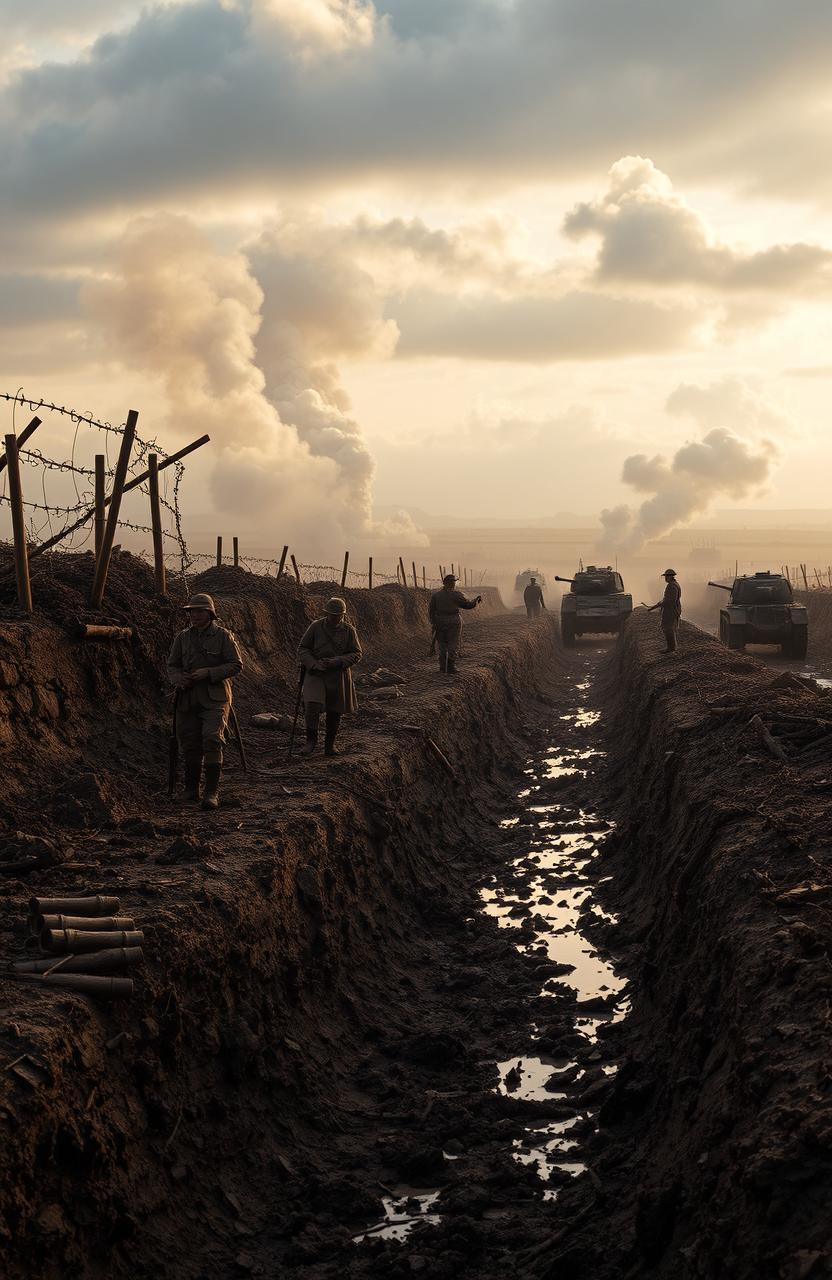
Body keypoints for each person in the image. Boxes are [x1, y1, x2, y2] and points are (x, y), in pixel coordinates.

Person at [167, 593, 243, 809]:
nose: (195, 615)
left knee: (212, 739)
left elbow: (236, 665)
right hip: (187, 698)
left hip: (215, 697)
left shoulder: (223, 636)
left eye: (199, 611)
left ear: (210, 613)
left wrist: (209, 672)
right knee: (189, 743)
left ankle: (211, 793)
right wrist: (178, 678)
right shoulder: (182, 637)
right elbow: (172, 665)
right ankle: (191, 790)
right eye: (191, 611)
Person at [297, 597, 362, 756]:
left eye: (337, 615)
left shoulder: (349, 631)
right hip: (316, 673)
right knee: (312, 705)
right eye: (331, 615)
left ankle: (330, 745)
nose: (334, 618)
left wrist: (338, 661)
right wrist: (313, 664)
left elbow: (357, 653)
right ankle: (310, 742)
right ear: (326, 613)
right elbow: (303, 649)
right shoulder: (315, 627)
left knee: (335, 710)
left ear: (343, 615)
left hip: (338, 674)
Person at [428, 573, 482, 674]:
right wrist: (476, 601)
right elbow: (467, 605)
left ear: (444, 583)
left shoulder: (436, 595)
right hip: (453, 621)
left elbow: (431, 611)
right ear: (453, 584)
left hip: (439, 621)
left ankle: (443, 667)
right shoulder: (456, 594)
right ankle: (451, 667)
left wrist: (434, 623)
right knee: (453, 643)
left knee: (442, 644)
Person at [648, 569, 682, 653]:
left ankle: (671, 648)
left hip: (671, 610)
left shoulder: (671, 586)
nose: (665, 578)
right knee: (668, 628)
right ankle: (671, 647)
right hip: (672, 609)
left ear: (670, 576)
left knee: (668, 628)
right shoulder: (674, 584)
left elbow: (669, 601)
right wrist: (656, 605)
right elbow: (666, 600)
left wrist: (658, 605)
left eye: (666, 576)